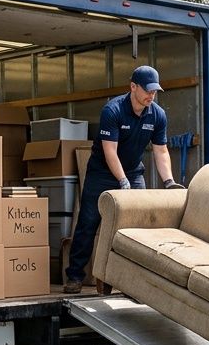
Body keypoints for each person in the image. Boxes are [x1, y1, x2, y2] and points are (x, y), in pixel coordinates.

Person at [63, 65, 181, 294]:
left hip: (134, 172)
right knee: (88, 223)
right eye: (148, 90)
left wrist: (169, 182)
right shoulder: (113, 110)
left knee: (137, 227)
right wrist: (122, 182)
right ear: (133, 87)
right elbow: (110, 151)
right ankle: (75, 276)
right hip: (102, 173)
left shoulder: (157, 114)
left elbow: (161, 151)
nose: (151, 96)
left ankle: (130, 282)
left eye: (155, 91)